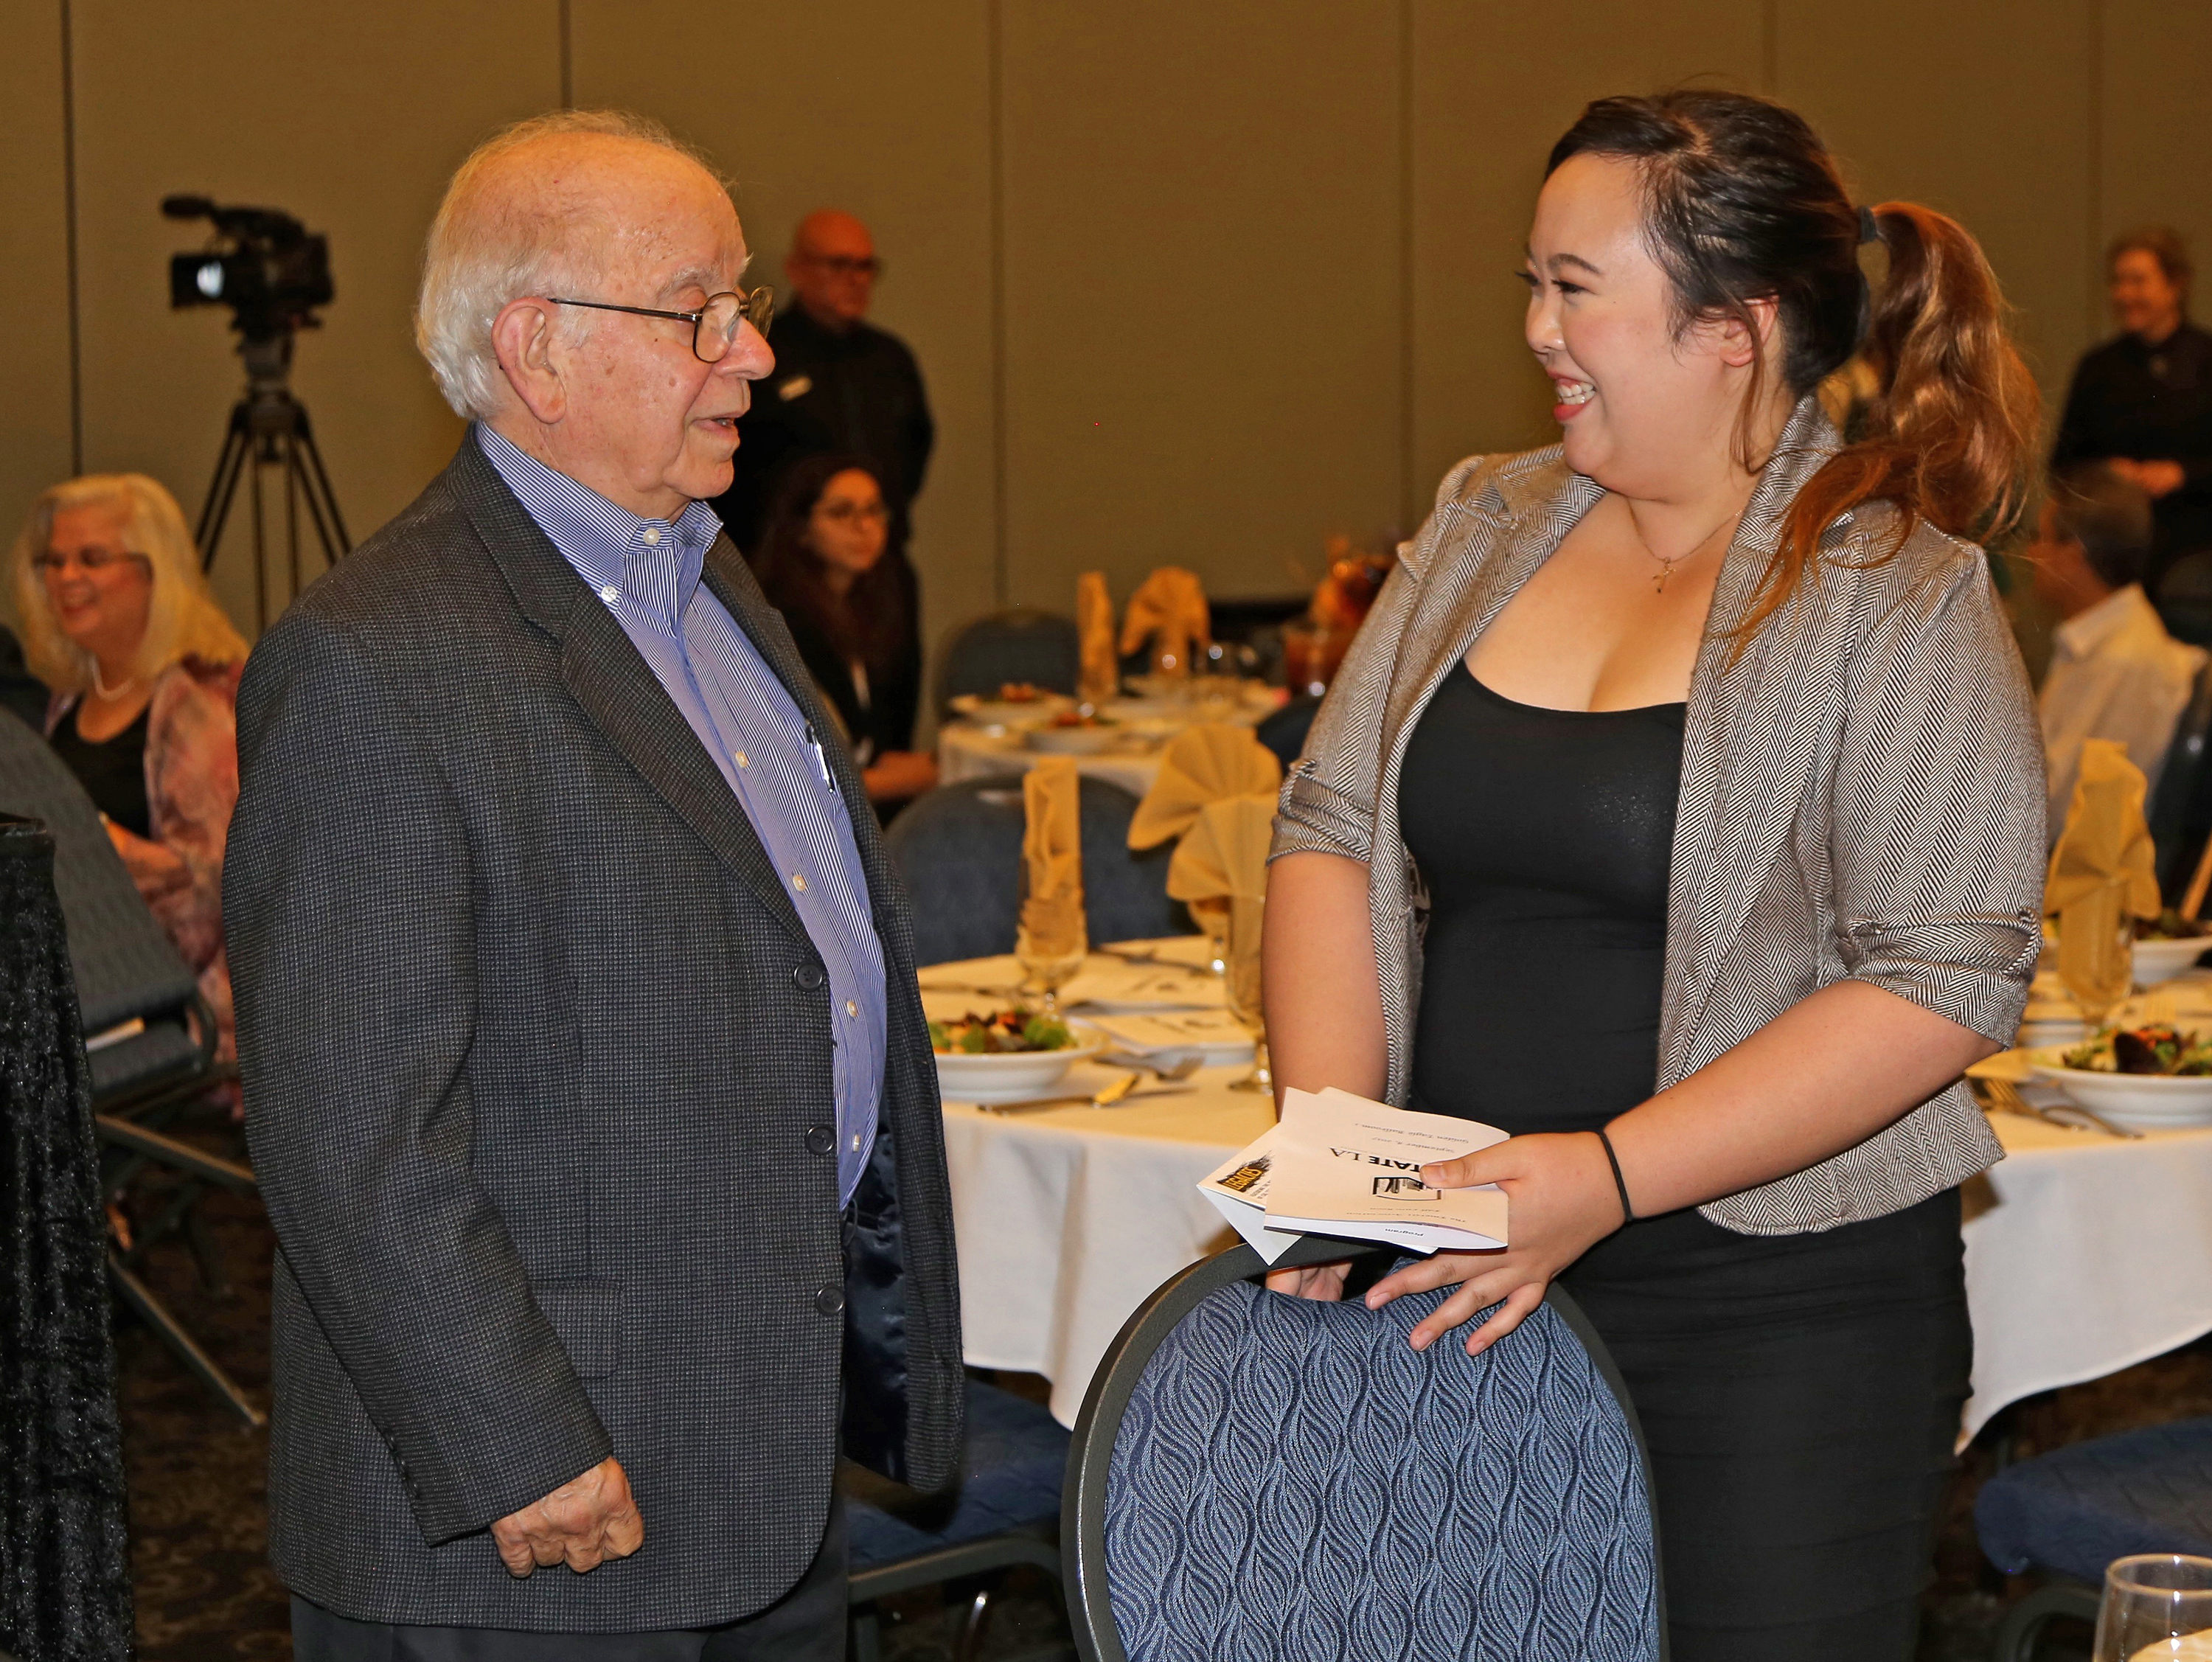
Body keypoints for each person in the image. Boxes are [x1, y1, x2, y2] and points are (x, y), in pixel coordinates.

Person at [1265, 90, 2045, 1661]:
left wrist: (1603, 1177)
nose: (1540, 328)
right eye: (1531, 285)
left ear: (1734, 330)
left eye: (1576, 287)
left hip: (1775, 1324)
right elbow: (1330, 828)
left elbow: (1938, 975)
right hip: (1460, 1282)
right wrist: (1340, 1164)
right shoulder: (1489, 522)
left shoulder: (1892, 588)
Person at [223, 108, 962, 1658]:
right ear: (537, 349)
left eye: (743, 308)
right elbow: (348, 1130)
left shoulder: (707, 580)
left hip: (754, 1457)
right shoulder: (379, 658)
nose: (752, 356)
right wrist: (520, 1440)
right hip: (535, 1514)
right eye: (699, 310)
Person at [10, 473, 248, 1063]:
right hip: (86, 1005)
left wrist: (102, 850)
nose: (67, 579)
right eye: (55, 561)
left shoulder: (193, 701)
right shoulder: (70, 699)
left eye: (92, 558)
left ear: (154, 572)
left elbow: (221, 893)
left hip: (177, 1025)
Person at [710, 209, 933, 557]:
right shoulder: (761, 353)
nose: (855, 279)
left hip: (879, 560)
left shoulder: (891, 359)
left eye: (865, 267)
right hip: (776, 560)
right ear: (797, 271)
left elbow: (915, 451)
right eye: (839, 265)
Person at [749, 453, 936, 808]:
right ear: (801, 528)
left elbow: (878, 746)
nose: (864, 526)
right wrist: (927, 776)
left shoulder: (884, 598)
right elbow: (796, 779)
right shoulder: (778, 618)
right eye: (841, 512)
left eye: (874, 510)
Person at [2034, 462, 2205, 831]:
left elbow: (2052, 810)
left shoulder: (2121, 658)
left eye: (2041, 536)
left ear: (2072, 555)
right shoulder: (2104, 637)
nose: (2031, 551)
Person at [2052, 227, 2212, 589]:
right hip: (2113, 564)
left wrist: (2182, 474)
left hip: (2195, 559)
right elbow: (2061, 465)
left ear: (2176, 285)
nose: (2124, 294)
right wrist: (2106, 473)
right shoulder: (2098, 367)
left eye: (2138, 281)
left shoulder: (2207, 361)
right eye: (2118, 282)